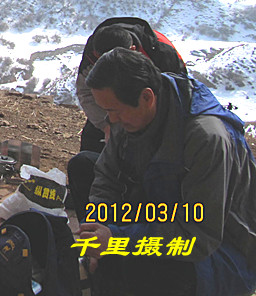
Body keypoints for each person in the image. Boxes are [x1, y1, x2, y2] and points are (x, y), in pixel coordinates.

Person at [78, 48, 256, 296]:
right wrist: (98, 230)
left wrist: (118, 241)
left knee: (136, 269)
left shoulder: (206, 138)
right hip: (160, 214)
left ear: (147, 98)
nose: (112, 120)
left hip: (217, 254)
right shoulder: (128, 114)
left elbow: (198, 237)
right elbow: (107, 177)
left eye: (115, 111)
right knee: (83, 167)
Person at [68, 17, 187, 217]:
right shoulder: (94, 50)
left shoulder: (162, 54)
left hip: (153, 116)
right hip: (116, 105)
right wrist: (106, 124)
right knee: (90, 158)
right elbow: (87, 92)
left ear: (132, 50)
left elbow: (179, 97)